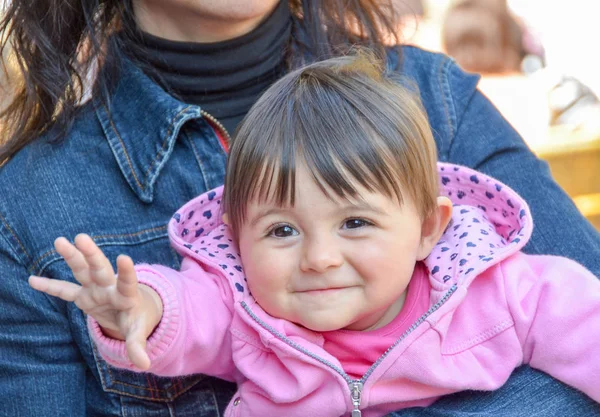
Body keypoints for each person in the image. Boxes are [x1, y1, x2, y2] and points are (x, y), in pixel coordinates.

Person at [0, 1, 598, 416]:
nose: (319, 258)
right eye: (283, 230)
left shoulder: (491, 285)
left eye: (356, 222)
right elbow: (194, 307)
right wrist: (137, 309)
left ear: (429, 228)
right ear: (235, 237)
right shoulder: (31, 205)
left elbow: (581, 326)